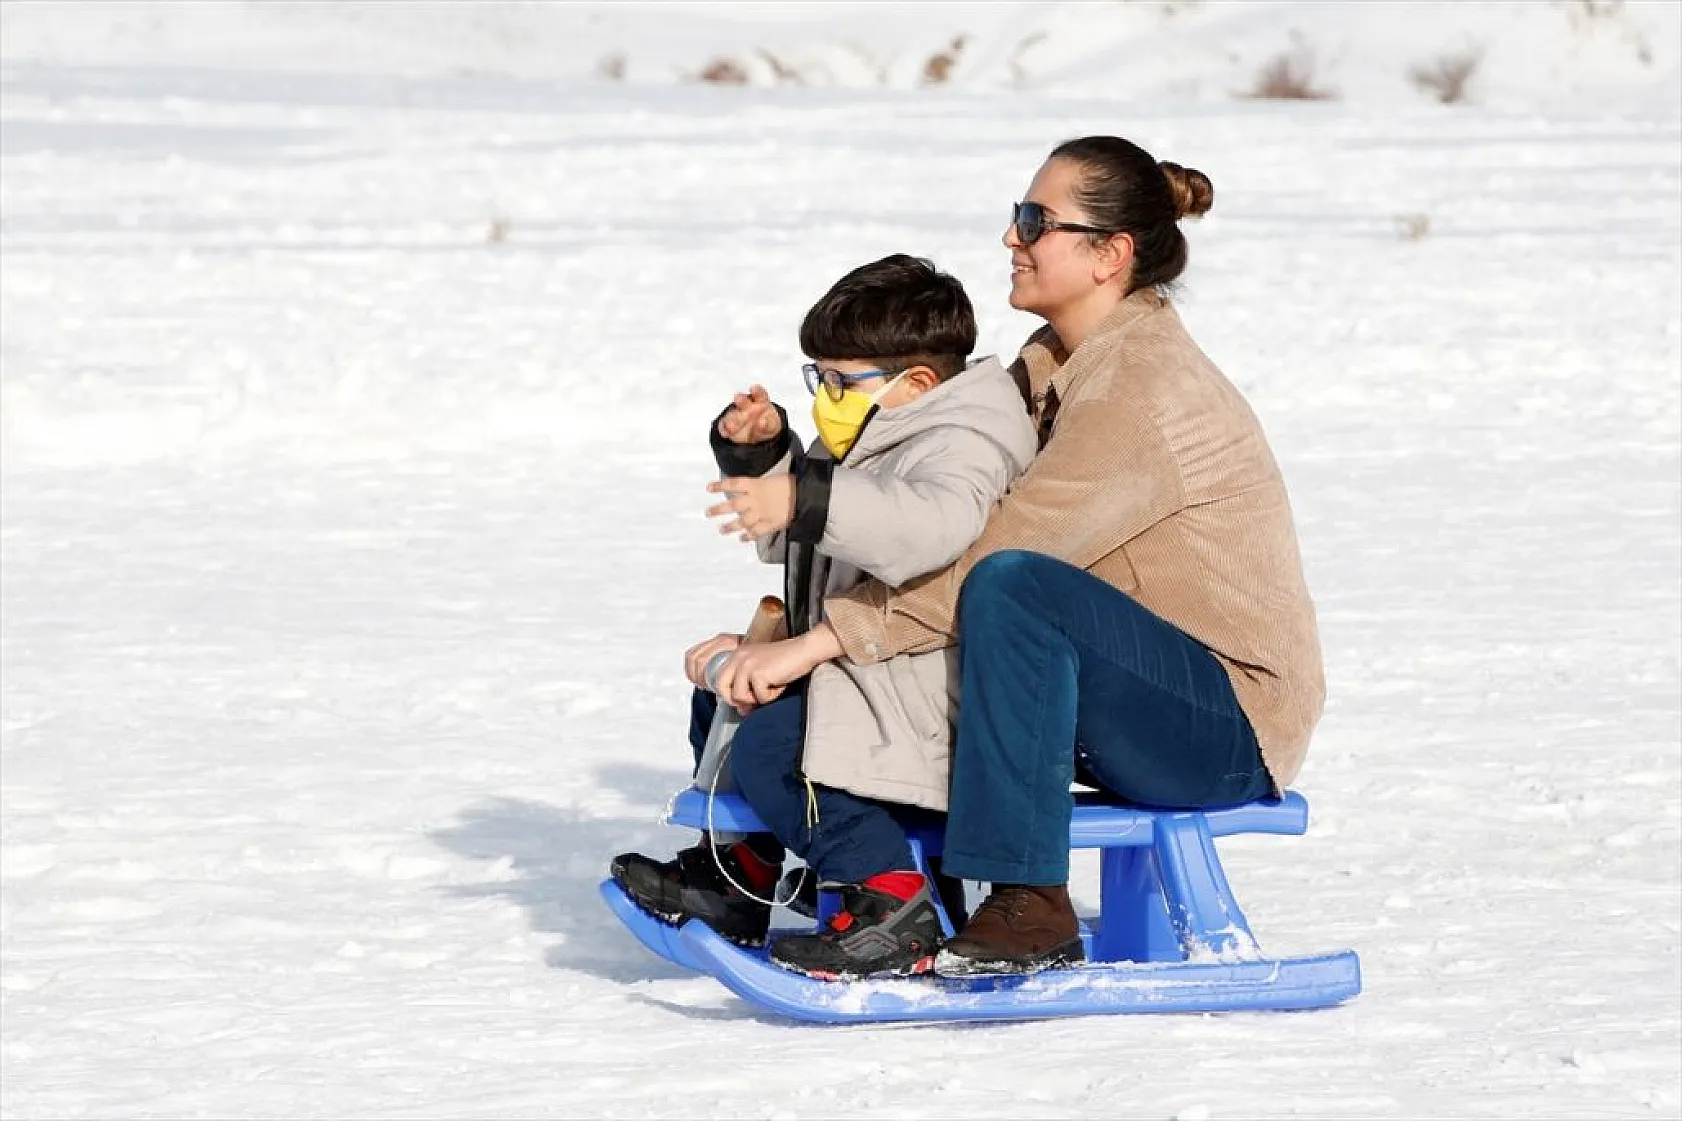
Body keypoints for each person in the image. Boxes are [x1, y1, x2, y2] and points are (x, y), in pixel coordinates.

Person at [720, 135, 1326, 978]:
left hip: (1223, 724)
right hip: (1118, 686)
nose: (1013, 236)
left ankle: (1029, 897)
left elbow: (994, 560)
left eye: (1036, 221)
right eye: (1018, 215)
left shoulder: (1140, 392)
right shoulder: (1047, 371)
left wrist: (821, 643)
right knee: (983, 601)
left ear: (1109, 254)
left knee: (1014, 585)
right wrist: (775, 461)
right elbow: (924, 489)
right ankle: (862, 876)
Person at [610, 254, 1038, 978]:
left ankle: (892, 898)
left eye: (842, 380)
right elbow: (795, 534)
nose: (827, 397)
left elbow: (926, 527)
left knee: (778, 745)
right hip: (868, 671)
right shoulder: (875, 429)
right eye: (818, 378)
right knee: (731, 694)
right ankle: (739, 872)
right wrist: (764, 454)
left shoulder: (967, 441)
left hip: (934, 695)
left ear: (919, 382)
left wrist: (808, 496)